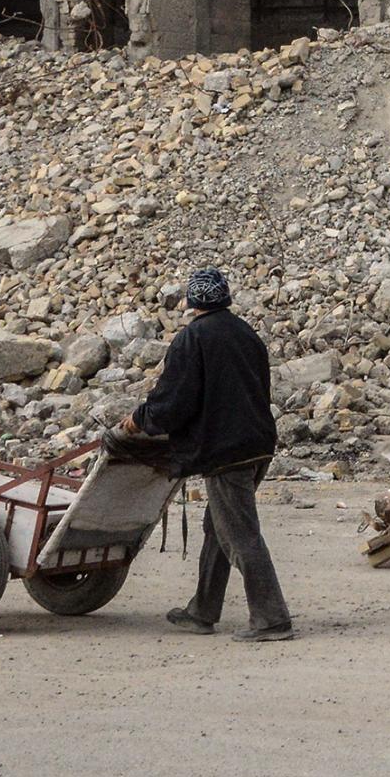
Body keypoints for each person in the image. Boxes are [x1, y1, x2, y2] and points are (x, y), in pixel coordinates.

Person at [119, 267, 294, 642]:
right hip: (257, 444)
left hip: (225, 450)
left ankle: (272, 619)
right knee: (218, 527)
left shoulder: (192, 339)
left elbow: (173, 403)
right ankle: (203, 610)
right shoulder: (246, 334)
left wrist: (139, 419)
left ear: (192, 301)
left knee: (239, 534)